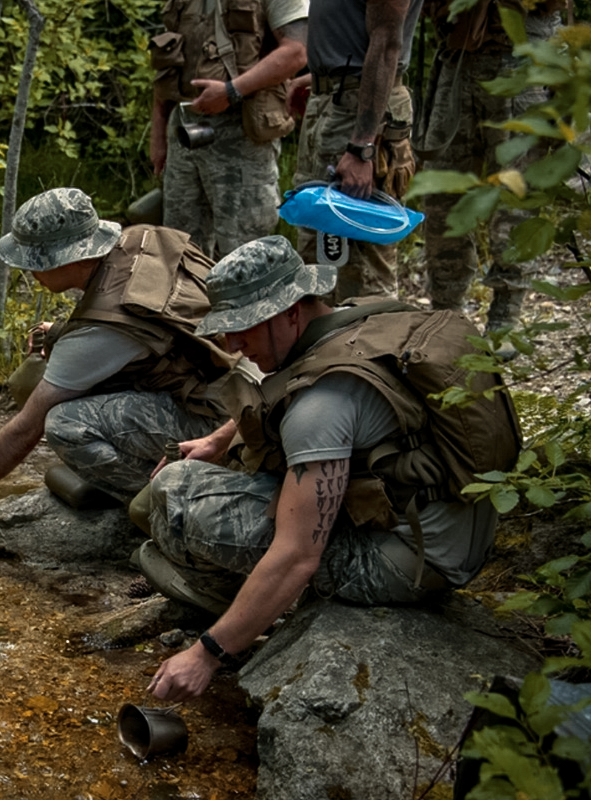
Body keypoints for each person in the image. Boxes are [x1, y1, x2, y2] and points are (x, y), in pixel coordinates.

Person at [137, 235, 514, 701]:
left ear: (290, 311)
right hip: (453, 538)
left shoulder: (320, 407)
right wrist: (218, 440)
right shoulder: (365, 319)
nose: (233, 344)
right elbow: (293, 386)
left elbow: (298, 556)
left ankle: (232, 604)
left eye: (244, 328)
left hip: (405, 568)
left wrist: (208, 653)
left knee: (176, 493)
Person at [0, 187, 236, 525]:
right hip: (235, 389)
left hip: (217, 423)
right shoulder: (143, 239)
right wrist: (62, 333)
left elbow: (25, 430)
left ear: (68, 257)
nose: (30, 272)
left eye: (35, 261)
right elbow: (154, 330)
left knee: (65, 424)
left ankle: (166, 507)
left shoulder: (102, 332)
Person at [419, 0, 561, 332]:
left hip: (523, 58)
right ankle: (446, 313)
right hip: (458, 56)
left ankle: (506, 314)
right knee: (442, 195)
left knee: (516, 197)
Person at [149, 0, 308, 258]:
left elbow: (297, 51)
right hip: (183, 130)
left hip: (242, 132)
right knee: (180, 250)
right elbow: (167, 61)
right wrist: (159, 130)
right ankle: (193, 300)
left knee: (246, 253)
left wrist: (232, 91)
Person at [290, 0, 424, 302]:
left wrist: (363, 146)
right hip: (333, 103)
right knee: (318, 252)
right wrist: (320, 79)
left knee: (363, 259)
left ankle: (374, 346)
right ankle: (327, 347)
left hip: (359, 118)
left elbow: (387, 43)